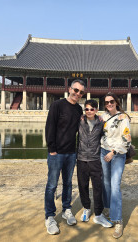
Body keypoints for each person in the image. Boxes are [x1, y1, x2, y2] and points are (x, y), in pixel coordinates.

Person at [44, 79, 85, 235]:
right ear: (69, 89)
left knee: (67, 183)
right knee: (52, 185)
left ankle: (67, 209)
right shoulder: (57, 105)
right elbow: (50, 127)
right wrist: (52, 149)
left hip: (71, 152)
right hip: (57, 153)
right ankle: (49, 216)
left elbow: (83, 126)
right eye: (76, 90)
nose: (77, 94)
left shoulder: (79, 110)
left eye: (81, 92)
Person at [77, 99, 113, 228]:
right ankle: (86, 208)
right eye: (86, 109)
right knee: (83, 186)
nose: (89, 111)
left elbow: (111, 135)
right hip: (81, 159)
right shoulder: (80, 121)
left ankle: (98, 214)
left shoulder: (101, 123)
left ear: (96, 110)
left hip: (95, 160)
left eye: (92, 109)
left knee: (98, 188)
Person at [100, 92, 131, 239]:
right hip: (103, 152)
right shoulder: (104, 116)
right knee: (105, 182)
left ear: (116, 102)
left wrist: (113, 151)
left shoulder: (123, 117)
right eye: (106, 102)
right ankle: (108, 209)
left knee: (115, 184)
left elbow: (126, 138)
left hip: (117, 154)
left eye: (111, 101)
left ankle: (118, 220)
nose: (109, 104)